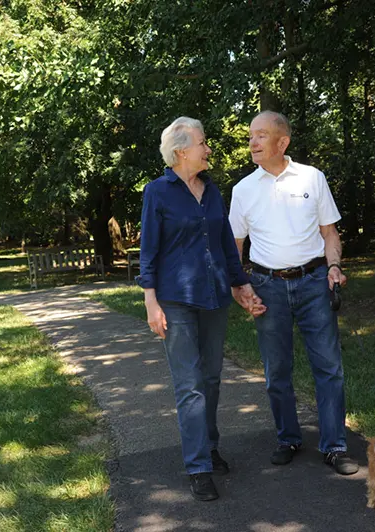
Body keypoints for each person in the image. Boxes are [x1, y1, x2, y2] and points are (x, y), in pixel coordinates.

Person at [136, 116, 264, 502]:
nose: (208, 149)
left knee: (210, 380)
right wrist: (150, 302)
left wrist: (241, 284)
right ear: (180, 151)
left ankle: (209, 447)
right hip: (175, 301)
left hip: (213, 298)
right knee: (189, 385)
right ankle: (197, 467)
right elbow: (149, 252)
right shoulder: (157, 192)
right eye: (202, 143)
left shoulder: (212, 191)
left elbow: (226, 243)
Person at [228, 111, 359, 476]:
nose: (252, 142)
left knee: (328, 368)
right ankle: (288, 438)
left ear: (282, 142)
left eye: (261, 136)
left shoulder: (312, 178)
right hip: (267, 286)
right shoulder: (243, 190)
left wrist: (334, 267)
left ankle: (334, 446)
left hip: (315, 282)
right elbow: (234, 245)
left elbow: (330, 234)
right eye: (251, 135)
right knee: (277, 371)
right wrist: (241, 286)